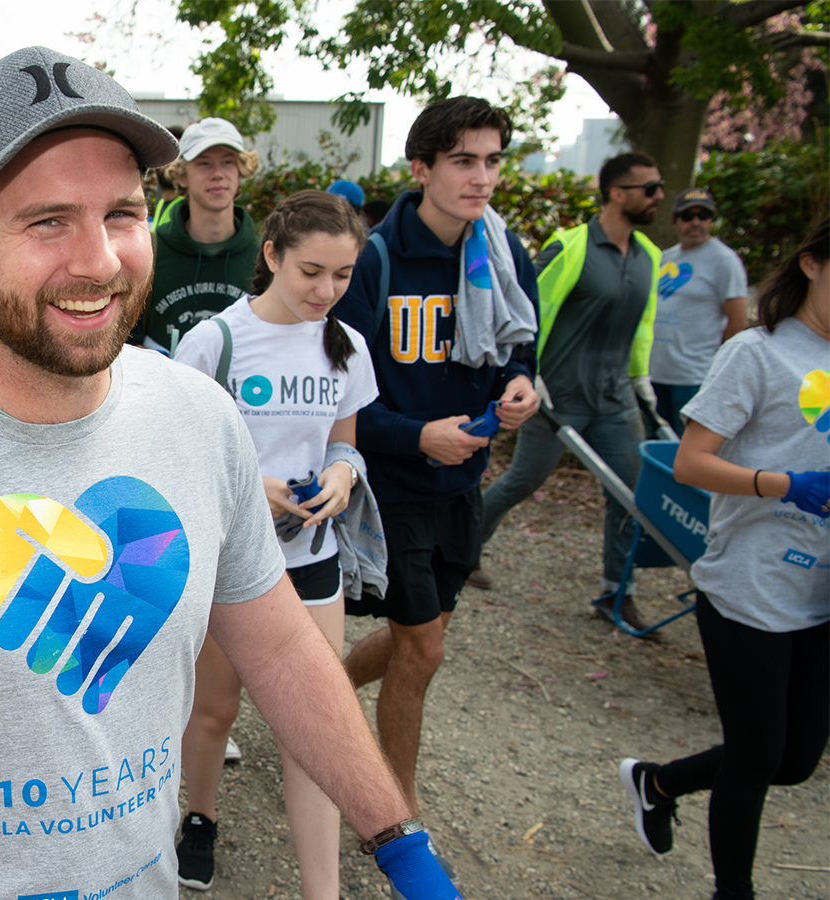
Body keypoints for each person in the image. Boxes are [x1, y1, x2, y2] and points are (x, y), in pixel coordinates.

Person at [0, 47, 455, 900]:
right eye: (47, 221)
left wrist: (398, 840)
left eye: (122, 212)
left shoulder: (200, 418)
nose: (102, 260)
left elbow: (282, 644)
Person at [333, 97, 541, 872]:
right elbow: (342, 399)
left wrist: (521, 389)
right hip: (392, 486)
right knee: (422, 650)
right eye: (463, 160)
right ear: (421, 169)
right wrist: (417, 434)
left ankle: (317, 697)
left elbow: (522, 351)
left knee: (426, 640)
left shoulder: (503, 250)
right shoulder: (376, 259)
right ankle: (398, 813)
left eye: (491, 160)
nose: (481, 176)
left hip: (464, 483)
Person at [171, 191, 378, 897]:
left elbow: (344, 442)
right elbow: (182, 450)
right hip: (232, 565)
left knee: (312, 729)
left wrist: (344, 475)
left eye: (343, 275)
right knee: (213, 711)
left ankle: (325, 892)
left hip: (313, 562)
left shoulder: (347, 347)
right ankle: (199, 816)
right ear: (272, 257)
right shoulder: (212, 342)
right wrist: (252, 486)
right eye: (311, 272)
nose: (326, 291)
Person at [618, 216, 830, 900]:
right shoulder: (758, 354)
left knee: (795, 761)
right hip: (751, 584)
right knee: (756, 753)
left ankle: (660, 781)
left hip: (820, 594)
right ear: (811, 264)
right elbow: (689, 460)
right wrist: (784, 484)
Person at [472, 152, 663, 629]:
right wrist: (527, 371)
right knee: (524, 479)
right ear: (618, 193)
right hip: (559, 397)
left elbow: (642, 327)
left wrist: (642, 380)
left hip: (616, 399)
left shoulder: (650, 256)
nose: (660, 196)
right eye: (649, 188)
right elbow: (530, 311)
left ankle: (618, 592)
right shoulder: (571, 247)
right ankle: (466, 548)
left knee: (630, 492)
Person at [132, 117, 261, 354]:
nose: (218, 174)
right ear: (181, 175)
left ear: (241, 172)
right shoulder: (151, 252)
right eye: (204, 163)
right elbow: (127, 343)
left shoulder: (265, 257)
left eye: (227, 162)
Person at [650, 187, 750, 434]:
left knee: (685, 448)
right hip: (653, 374)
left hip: (693, 376)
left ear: (711, 221)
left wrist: (720, 369)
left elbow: (738, 321)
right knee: (654, 444)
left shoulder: (724, 261)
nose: (695, 222)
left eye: (703, 216)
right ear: (675, 221)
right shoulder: (664, 258)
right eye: (687, 216)